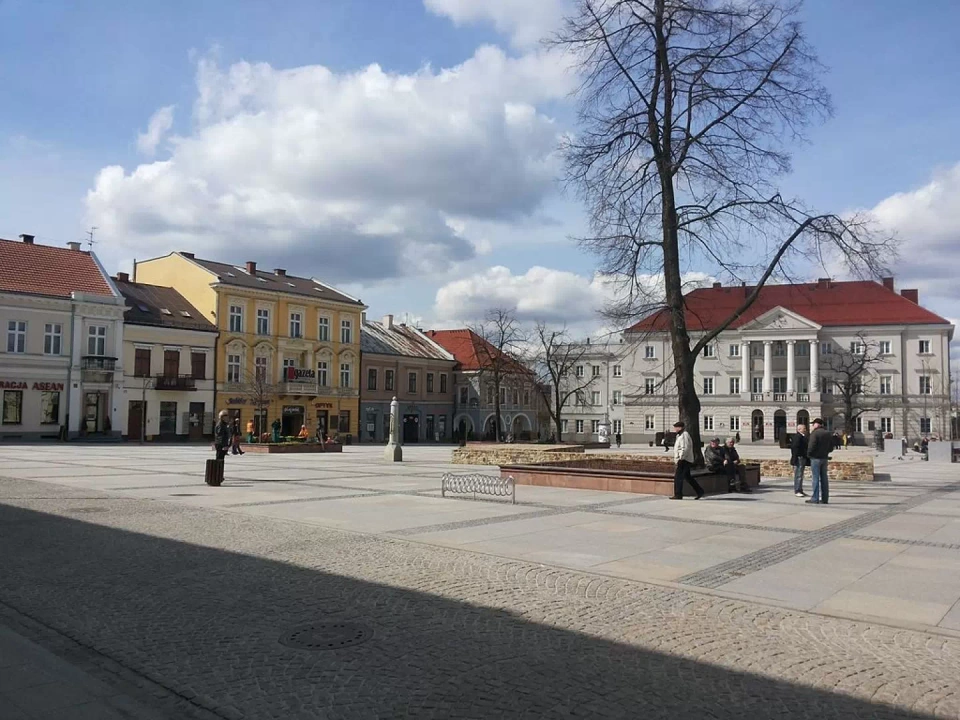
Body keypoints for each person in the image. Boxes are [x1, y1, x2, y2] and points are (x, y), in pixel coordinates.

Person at [670, 421, 704, 500]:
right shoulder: (680, 435)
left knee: (678, 477)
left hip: (684, 460)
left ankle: (678, 494)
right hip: (684, 459)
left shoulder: (684, 435)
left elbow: (684, 448)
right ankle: (699, 491)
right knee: (687, 477)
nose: (675, 429)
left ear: (680, 427)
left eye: (676, 427)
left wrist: (681, 458)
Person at [807, 417, 832, 504]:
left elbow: (811, 446)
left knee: (815, 478)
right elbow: (831, 447)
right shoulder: (828, 433)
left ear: (817, 424)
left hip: (815, 458)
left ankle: (815, 498)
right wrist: (826, 452)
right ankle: (825, 498)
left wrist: (809, 454)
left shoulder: (815, 433)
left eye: (813, 424)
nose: (812, 426)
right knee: (824, 478)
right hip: (824, 457)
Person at [790, 424, 810, 497]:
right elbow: (795, 448)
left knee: (800, 474)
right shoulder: (798, 437)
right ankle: (797, 490)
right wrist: (795, 458)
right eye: (804, 428)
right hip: (799, 458)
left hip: (802, 457)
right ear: (799, 429)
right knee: (798, 475)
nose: (805, 429)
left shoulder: (803, 436)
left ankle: (800, 489)